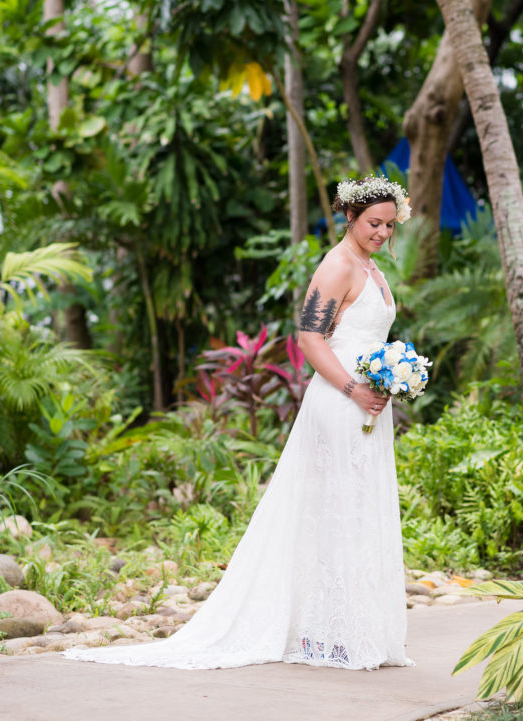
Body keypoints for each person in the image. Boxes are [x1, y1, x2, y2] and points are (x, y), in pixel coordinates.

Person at [63, 176, 413, 670]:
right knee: (334, 512)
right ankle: (324, 637)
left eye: (389, 225)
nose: (381, 232)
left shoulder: (370, 267)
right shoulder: (337, 266)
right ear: (350, 217)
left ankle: (351, 632)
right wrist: (355, 387)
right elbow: (311, 338)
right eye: (374, 223)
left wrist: (391, 376)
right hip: (340, 402)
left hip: (369, 408)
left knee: (358, 513)